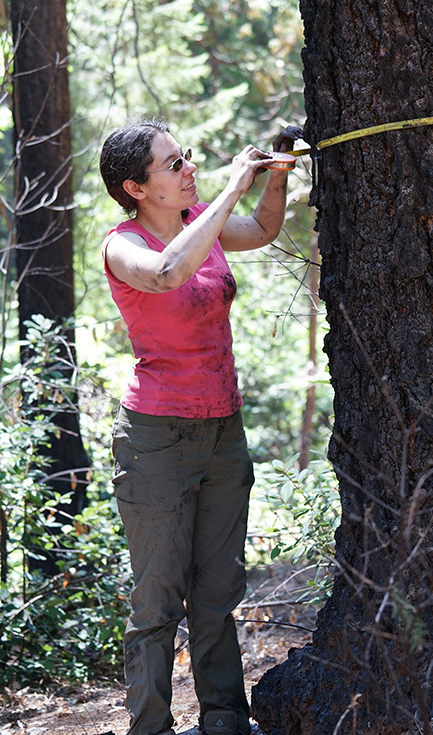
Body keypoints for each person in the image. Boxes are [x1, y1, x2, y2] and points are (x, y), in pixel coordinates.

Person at [99, 118, 299, 735]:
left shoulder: (200, 229)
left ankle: (224, 722)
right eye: (172, 163)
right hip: (157, 439)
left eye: (184, 156)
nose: (188, 168)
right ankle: (152, 727)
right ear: (136, 187)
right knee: (157, 600)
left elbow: (265, 230)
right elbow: (165, 273)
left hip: (222, 432)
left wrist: (273, 177)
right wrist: (231, 188)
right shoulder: (122, 246)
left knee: (217, 592)